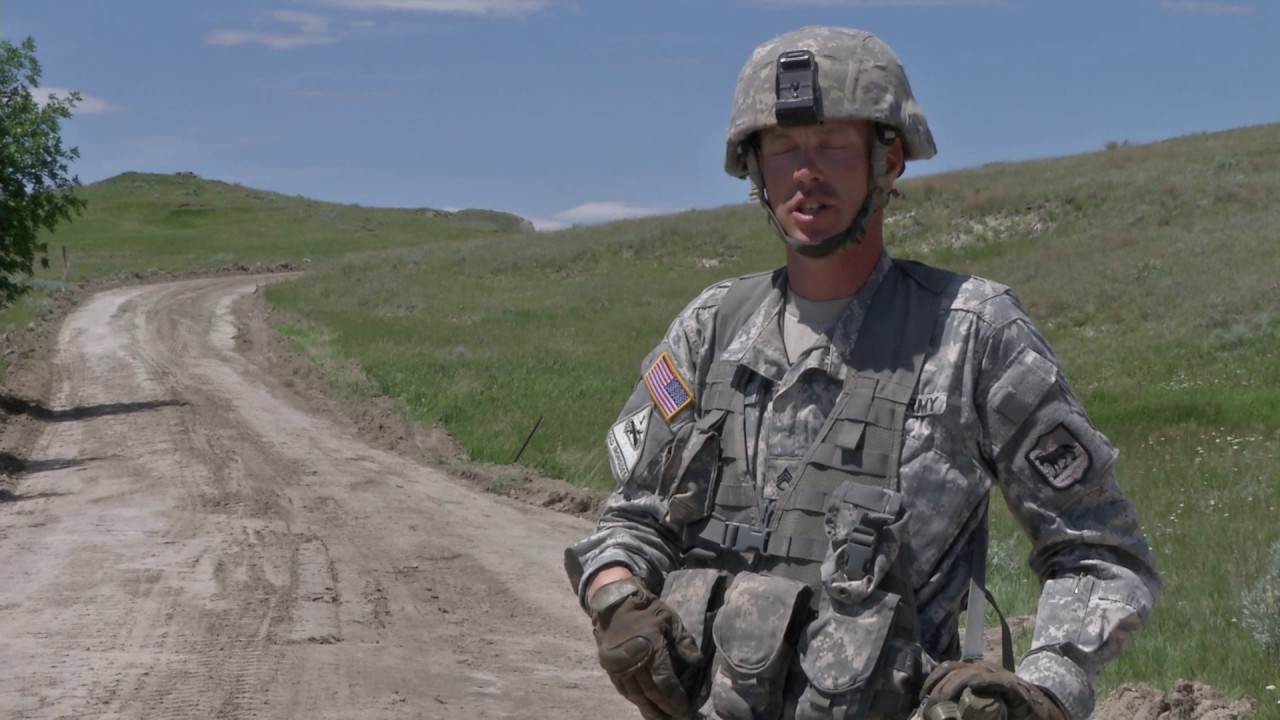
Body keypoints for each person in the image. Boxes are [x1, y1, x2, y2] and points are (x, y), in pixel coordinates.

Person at [565, 26, 1159, 720]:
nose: (805, 172)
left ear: (890, 160)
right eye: (783, 149)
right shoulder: (710, 329)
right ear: (755, 169)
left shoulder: (971, 331)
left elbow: (1100, 553)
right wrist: (615, 598)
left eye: (834, 146)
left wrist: (1045, 691)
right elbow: (633, 517)